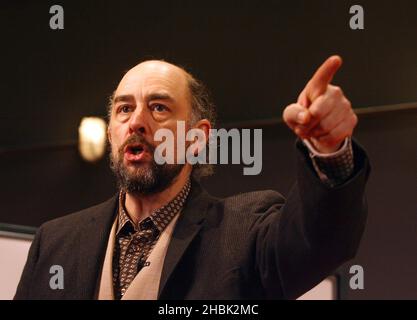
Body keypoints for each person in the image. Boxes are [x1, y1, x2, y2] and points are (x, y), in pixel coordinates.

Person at [15, 56, 370, 300]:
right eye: (124, 109)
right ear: (112, 134)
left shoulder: (246, 232)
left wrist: (329, 149)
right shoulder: (56, 243)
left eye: (158, 107)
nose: (137, 121)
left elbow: (323, 241)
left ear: (197, 138)